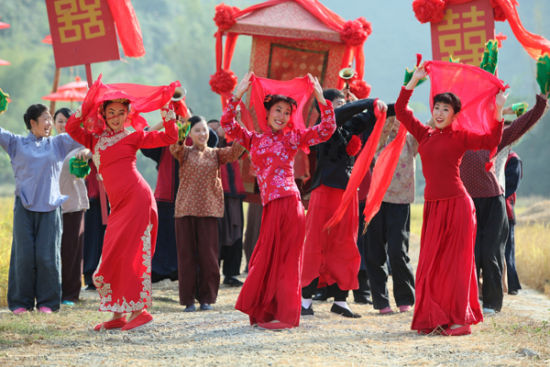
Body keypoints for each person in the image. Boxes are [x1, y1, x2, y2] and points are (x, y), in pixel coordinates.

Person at [395, 63, 506, 336]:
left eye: (446, 109)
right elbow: (401, 111)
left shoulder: (460, 137)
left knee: (457, 265)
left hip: (458, 205)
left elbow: (492, 138)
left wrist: (499, 109)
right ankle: (434, 316)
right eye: (437, 108)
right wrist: (413, 82)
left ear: (455, 114)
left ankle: (458, 318)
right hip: (433, 207)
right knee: (431, 264)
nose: (440, 113)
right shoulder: (424, 134)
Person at [221, 72, 336, 330]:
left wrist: (320, 98)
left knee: (285, 262)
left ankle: (285, 316)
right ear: (267, 112)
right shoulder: (253, 139)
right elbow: (227, 125)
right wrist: (237, 95)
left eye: (286, 112)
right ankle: (267, 311)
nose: (282, 116)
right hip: (271, 206)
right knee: (265, 260)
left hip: (289, 204)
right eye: (278, 110)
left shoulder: (293, 137)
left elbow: (327, 130)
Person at [66, 78, 179, 331]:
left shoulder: (134, 136)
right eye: (111, 112)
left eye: (121, 112)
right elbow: (72, 128)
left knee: (132, 254)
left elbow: (171, 136)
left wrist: (167, 107)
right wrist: (86, 106)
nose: (116, 117)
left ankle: (140, 311)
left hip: (138, 199)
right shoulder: (95, 140)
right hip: (119, 206)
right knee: (113, 255)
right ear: (103, 114)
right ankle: (118, 314)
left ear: (128, 114)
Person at [301, 89, 388, 319]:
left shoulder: (351, 128)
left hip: (348, 194)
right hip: (323, 191)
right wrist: (367, 101)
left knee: (346, 244)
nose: (343, 106)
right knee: (316, 244)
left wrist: (399, 97)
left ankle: (341, 300)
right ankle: (305, 299)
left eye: (344, 103)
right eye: (337, 104)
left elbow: (378, 112)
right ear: (326, 107)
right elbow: (338, 115)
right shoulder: (324, 125)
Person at [459, 93, 548, 314]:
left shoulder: (496, 138)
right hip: (466, 203)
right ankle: (469, 301)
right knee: (470, 255)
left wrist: (541, 103)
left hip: (493, 204)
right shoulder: (457, 139)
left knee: (490, 255)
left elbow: (522, 124)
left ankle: (491, 304)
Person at [2, 104, 81, 314]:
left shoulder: (59, 143)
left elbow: (83, 134)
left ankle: (48, 302)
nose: (49, 124)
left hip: (50, 206)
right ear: (32, 123)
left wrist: (85, 112)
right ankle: (21, 303)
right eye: (45, 119)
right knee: (24, 256)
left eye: (49, 119)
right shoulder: (15, 142)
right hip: (24, 207)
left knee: (47, 256)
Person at [170, 115, 244, 312]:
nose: (202, 134)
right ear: (190, 134)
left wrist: (240, 127)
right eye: (197, 130)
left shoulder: (216, 154)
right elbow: (174, 146)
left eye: (204, 130)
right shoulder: (183, 153)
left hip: (209, 211)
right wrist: (179, 127)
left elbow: (237, 150)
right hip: (185, 211)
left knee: (209, 258)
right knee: (187, 258)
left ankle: (206, 299)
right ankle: (188, 301)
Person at [364, 116, 416, 315]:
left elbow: (428, 128)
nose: (396, 123)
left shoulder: (411, 140)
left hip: (400, 202)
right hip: (376, 200)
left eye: (401, 119)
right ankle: (381, 301)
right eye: (393, 119)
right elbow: (370, 153)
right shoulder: (378, 138)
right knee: (374, 253)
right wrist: (384, 127)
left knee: (397, 252)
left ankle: (405, 298)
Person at [54, 107, 90, 305]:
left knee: (71, 251)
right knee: (53, 251)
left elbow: (90, 155)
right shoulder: (50, 145)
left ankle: (70, 294)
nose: (62, 125)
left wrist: (86, 152)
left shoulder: (80, 145)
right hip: (50, 207)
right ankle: (53, 290)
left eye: (66, 121)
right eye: (58, 121)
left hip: (73, 206)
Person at [207, 118, 246, 287]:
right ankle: (212, 273)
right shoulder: (204, 150)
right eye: (211, 129)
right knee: (215, 237)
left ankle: (231, 273)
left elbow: (244, 142)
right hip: (214, 197)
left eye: (218, 128)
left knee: (236, 235)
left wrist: (236, 123)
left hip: (233, 196)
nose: (216, 131)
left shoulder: (232, 147)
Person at [504, 150, 522, 295]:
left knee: (508, 249)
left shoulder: (513, 159)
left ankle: (511, 284)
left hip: (506, 209)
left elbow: (511, 185)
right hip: (488, 208)